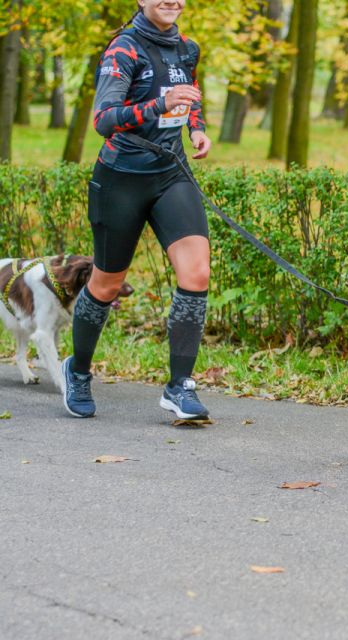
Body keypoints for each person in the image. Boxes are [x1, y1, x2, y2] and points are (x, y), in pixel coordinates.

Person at [63, 0, 213, 420]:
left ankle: (179, 386)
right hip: (121, 179)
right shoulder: (123, 49)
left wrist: (196, 128)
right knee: (107, 284)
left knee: (196, 272)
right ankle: (77, 370)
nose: (171, 1)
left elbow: (190, 95)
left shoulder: (188, 48)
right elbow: (104, 120)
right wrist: (160, 106)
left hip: (171, 174)